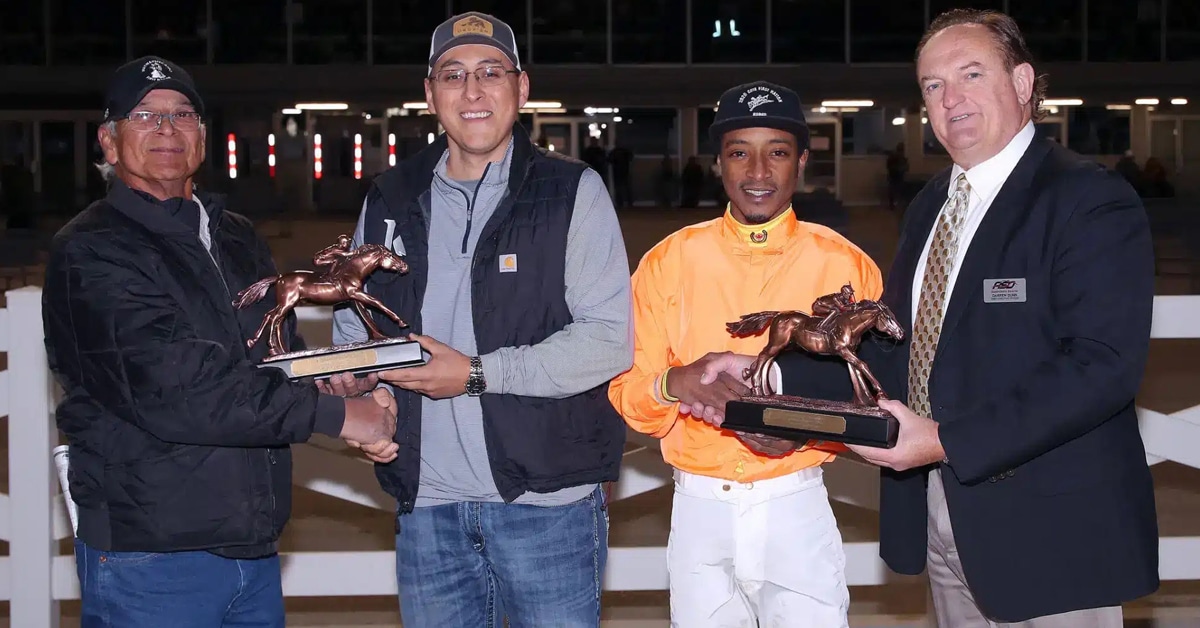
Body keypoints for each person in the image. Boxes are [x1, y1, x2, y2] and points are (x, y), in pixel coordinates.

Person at [694, 10, 1158, 627]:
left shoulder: (1087, 199)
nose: (951, 99)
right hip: (945, 518)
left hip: (1051, 535)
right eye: (933, 86)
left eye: (970, 74)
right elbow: (893, 352)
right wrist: (766, 376)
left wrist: (944, 441)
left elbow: (1102, 368)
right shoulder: (932, 203)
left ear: (1022, 83)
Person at [41, 55, 400, 628]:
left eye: (182, 114)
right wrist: (338, 417)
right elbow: (180, 391)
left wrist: (335, 375)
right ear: (109, 143)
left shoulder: (233, 236)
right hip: (153, 553)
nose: (166, 128)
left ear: (203, 139)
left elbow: (268, 358)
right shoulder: (93, 250)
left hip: (250, 543)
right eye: (145, 115)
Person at [327, 11, 633, 627]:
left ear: (521, 88)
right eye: (453, 74)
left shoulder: (571, 191)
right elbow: (355, 331)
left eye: (490, 73)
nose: (472, 91)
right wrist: (365, 391)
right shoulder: (389, 197)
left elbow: (608, 342)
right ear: (429, 94)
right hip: (428, 507)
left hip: (545, 502)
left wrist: (473, 374)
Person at [608, 80, 884, 627]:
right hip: (698, 511)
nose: (758, 172)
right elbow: (628, 393)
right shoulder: (668, 261)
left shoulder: (848, 267)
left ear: (802, 161)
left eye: (777, 152)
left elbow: (873, 399)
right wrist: (673, 383)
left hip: (796, 506)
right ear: (718, 164)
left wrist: (803, 428)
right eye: (740, 153)